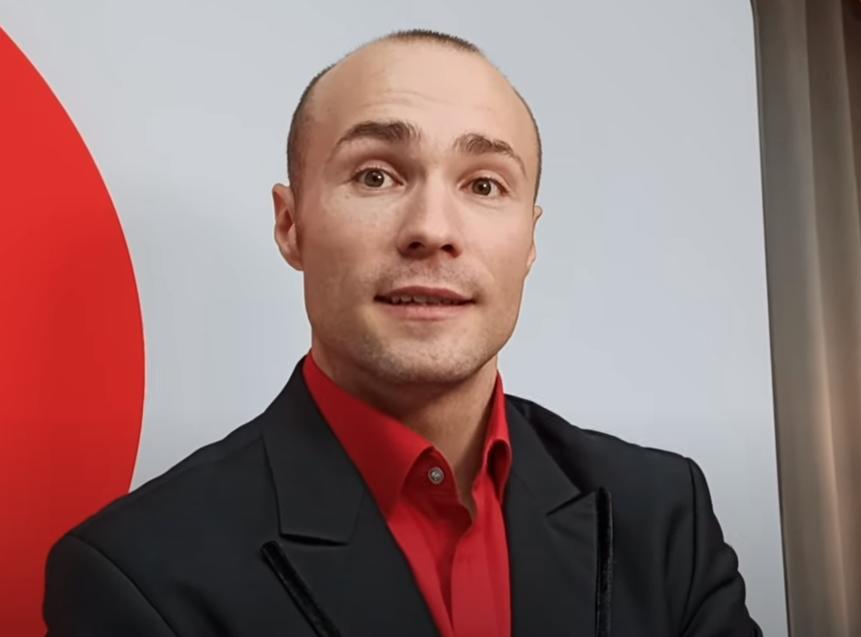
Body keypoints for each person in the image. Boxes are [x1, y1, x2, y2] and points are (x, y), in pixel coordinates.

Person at [43, 29, 761, 637]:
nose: (432, 230)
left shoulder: (663, 515)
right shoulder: (138, 574)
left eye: (484, 185)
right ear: (291, 225)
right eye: (377, 177)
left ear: (530, 240)